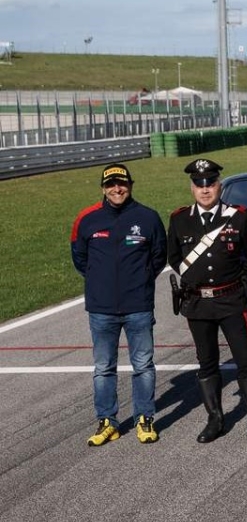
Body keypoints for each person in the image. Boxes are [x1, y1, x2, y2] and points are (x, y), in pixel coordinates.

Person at [166, 158, 247, 444]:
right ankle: (215, 419)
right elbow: (174, 257)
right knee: (207, 362)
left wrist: (241, 278)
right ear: (192, 187)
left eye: (210, 184)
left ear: (219, 186)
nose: (205, 190)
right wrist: (195, 277)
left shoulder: (238, 217)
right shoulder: (179, 219)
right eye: (199, 184)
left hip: (230, 300)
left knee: (245, 360)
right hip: (198, 303)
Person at [70, 163, 167, 446]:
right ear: (103, 188)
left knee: (143, 365)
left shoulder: (148, 217)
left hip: (138, 305)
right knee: (103, 368)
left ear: (130, 185)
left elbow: (159, 257)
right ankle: (107, 421)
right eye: (111, 184)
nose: (117, 189)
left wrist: (140, 280)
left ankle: (144, 418)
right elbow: (80, 259)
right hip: (101, 309)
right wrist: (100, 282)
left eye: (121, 183)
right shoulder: (87, 219)